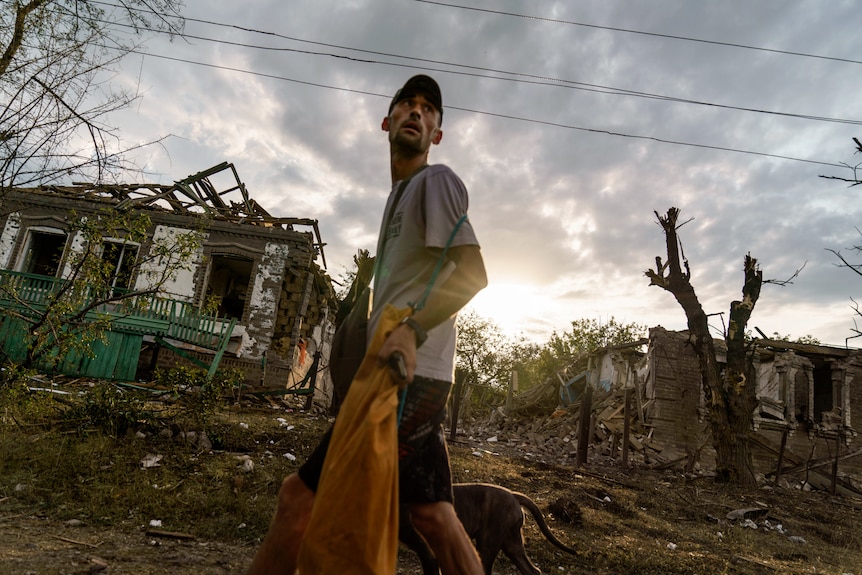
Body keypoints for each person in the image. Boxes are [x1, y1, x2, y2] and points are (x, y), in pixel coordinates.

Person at [247, 74, 488, 575]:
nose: (417, 112)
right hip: (411, 373)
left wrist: (411, 331)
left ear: (437, 134)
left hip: (406, 374)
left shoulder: (434, 182)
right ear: (387, 120)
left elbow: (472, 274)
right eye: (408, 104)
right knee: (434, 514)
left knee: (299, 499)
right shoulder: (396, 199)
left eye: (429, 110)